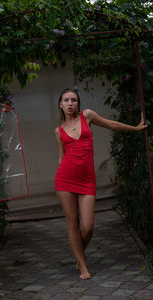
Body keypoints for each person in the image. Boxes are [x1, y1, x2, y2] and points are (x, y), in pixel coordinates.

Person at [54, 88, 147, 280]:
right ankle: (83, 266)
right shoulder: (58, 131)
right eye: (66, 100)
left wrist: (135, 128)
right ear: (60, 105)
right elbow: (61, 158)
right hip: (65, 179)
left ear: (78, 103)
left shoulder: (87, 116)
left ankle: (78, 255)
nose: (70, 103)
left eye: (74, 100)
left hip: (87, 180)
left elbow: (111, 124)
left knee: (88, 226)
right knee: (73, 224)